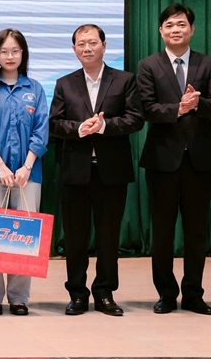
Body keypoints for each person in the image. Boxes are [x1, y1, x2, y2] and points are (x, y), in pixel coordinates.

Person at [49, 24, 144, 316]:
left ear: (104, 45)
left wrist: (104, 126)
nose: (87, 48)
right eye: (81, 44)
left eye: (92, 42)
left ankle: (105, 293)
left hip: (111, 171)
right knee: (75, 238)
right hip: (74, 171)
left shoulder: (125, 80)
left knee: (108, 237)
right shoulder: (64, 83)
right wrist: (79, 128)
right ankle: (77, 294)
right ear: (74, 49)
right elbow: (54, 123)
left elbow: (136, 118)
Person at [137, 4, 211, 315]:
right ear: (161, 31)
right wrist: (179, 108)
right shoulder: (148, 65)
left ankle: (193, 294)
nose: (176, 29)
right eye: (170, 25)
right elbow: (146, 109)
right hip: (161, 159)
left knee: (196, 231)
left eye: (182, 24)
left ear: (192, 29)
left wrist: (197, 104)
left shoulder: (208, 63)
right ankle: (166, 293)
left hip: (200, 160)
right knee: (162, 231)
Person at [0, 29, 48, 316]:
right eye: (4, 51)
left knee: (24, 234)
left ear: (23, 54)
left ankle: (19, 298)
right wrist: (1, 166)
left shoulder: (35, 89)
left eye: (15, 51)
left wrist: (27, 165)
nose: (10, 56)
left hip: (29, 174)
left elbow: (41, 130)